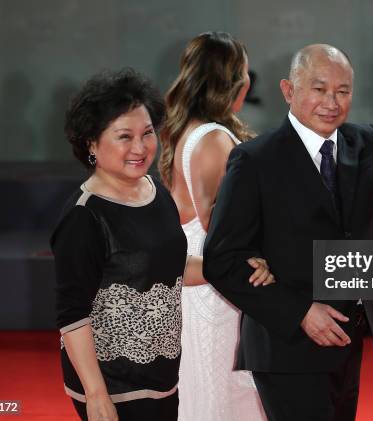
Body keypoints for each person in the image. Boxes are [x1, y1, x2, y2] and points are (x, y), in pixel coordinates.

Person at [203, 42, 373, 420]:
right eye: (319, 89)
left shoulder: (365, 143)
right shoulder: (255, 159)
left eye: (343, 91)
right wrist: (301, 312)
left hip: (348, 339)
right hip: (286, 343)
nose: (331, 102)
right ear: (289, 90)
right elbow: (221, 259)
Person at [52, 68, 273, 421]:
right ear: (91, 143)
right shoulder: (83, 216)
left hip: (164, 377)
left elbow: (174, 267)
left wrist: (238, 268)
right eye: (124, 136)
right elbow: (72, 315)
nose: (140, 148)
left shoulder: (156, 193)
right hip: (113, 387)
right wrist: (96, 394)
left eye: (147, 133)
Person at [158, 31, 267, 421]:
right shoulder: (213, 139)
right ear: (234, 81)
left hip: (198, 288)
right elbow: (226, 230)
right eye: (244, 71)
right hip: (217, 293)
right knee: (224, 400)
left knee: (205, 395)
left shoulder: (183, 132)